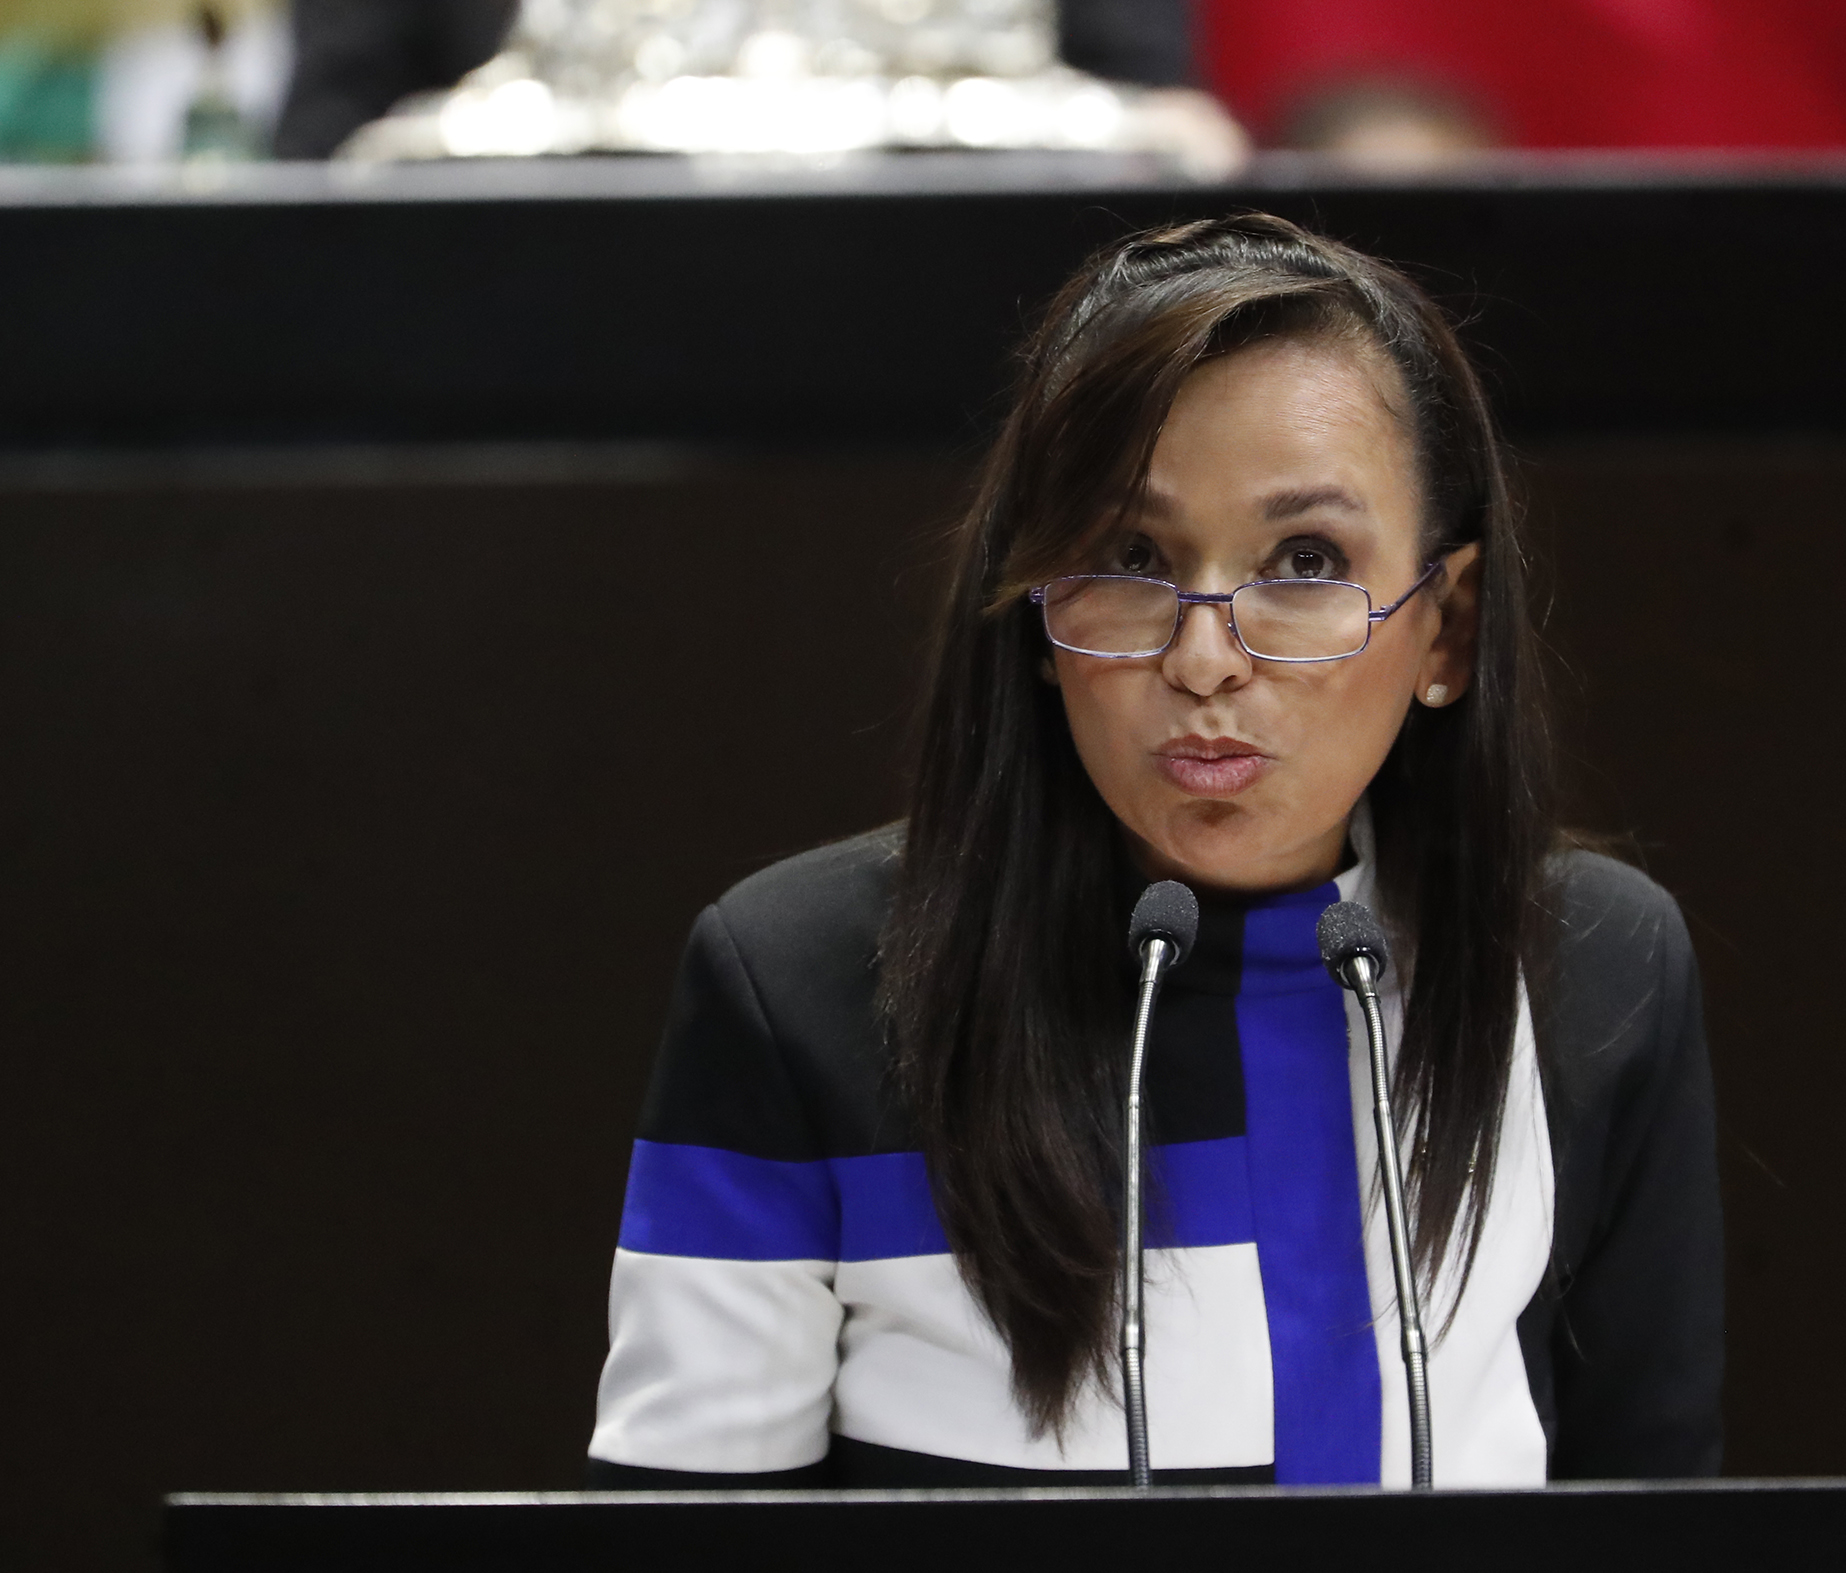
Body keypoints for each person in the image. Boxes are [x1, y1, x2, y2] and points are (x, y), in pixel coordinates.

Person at [587, 213, 1723, 1489]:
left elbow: (1654, 1517)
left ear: (1444, 630)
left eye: (1305, 560)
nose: (1204, 658)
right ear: (1035, 609)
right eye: (1130, 558)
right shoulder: (797, 983)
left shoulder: (1593, 968)